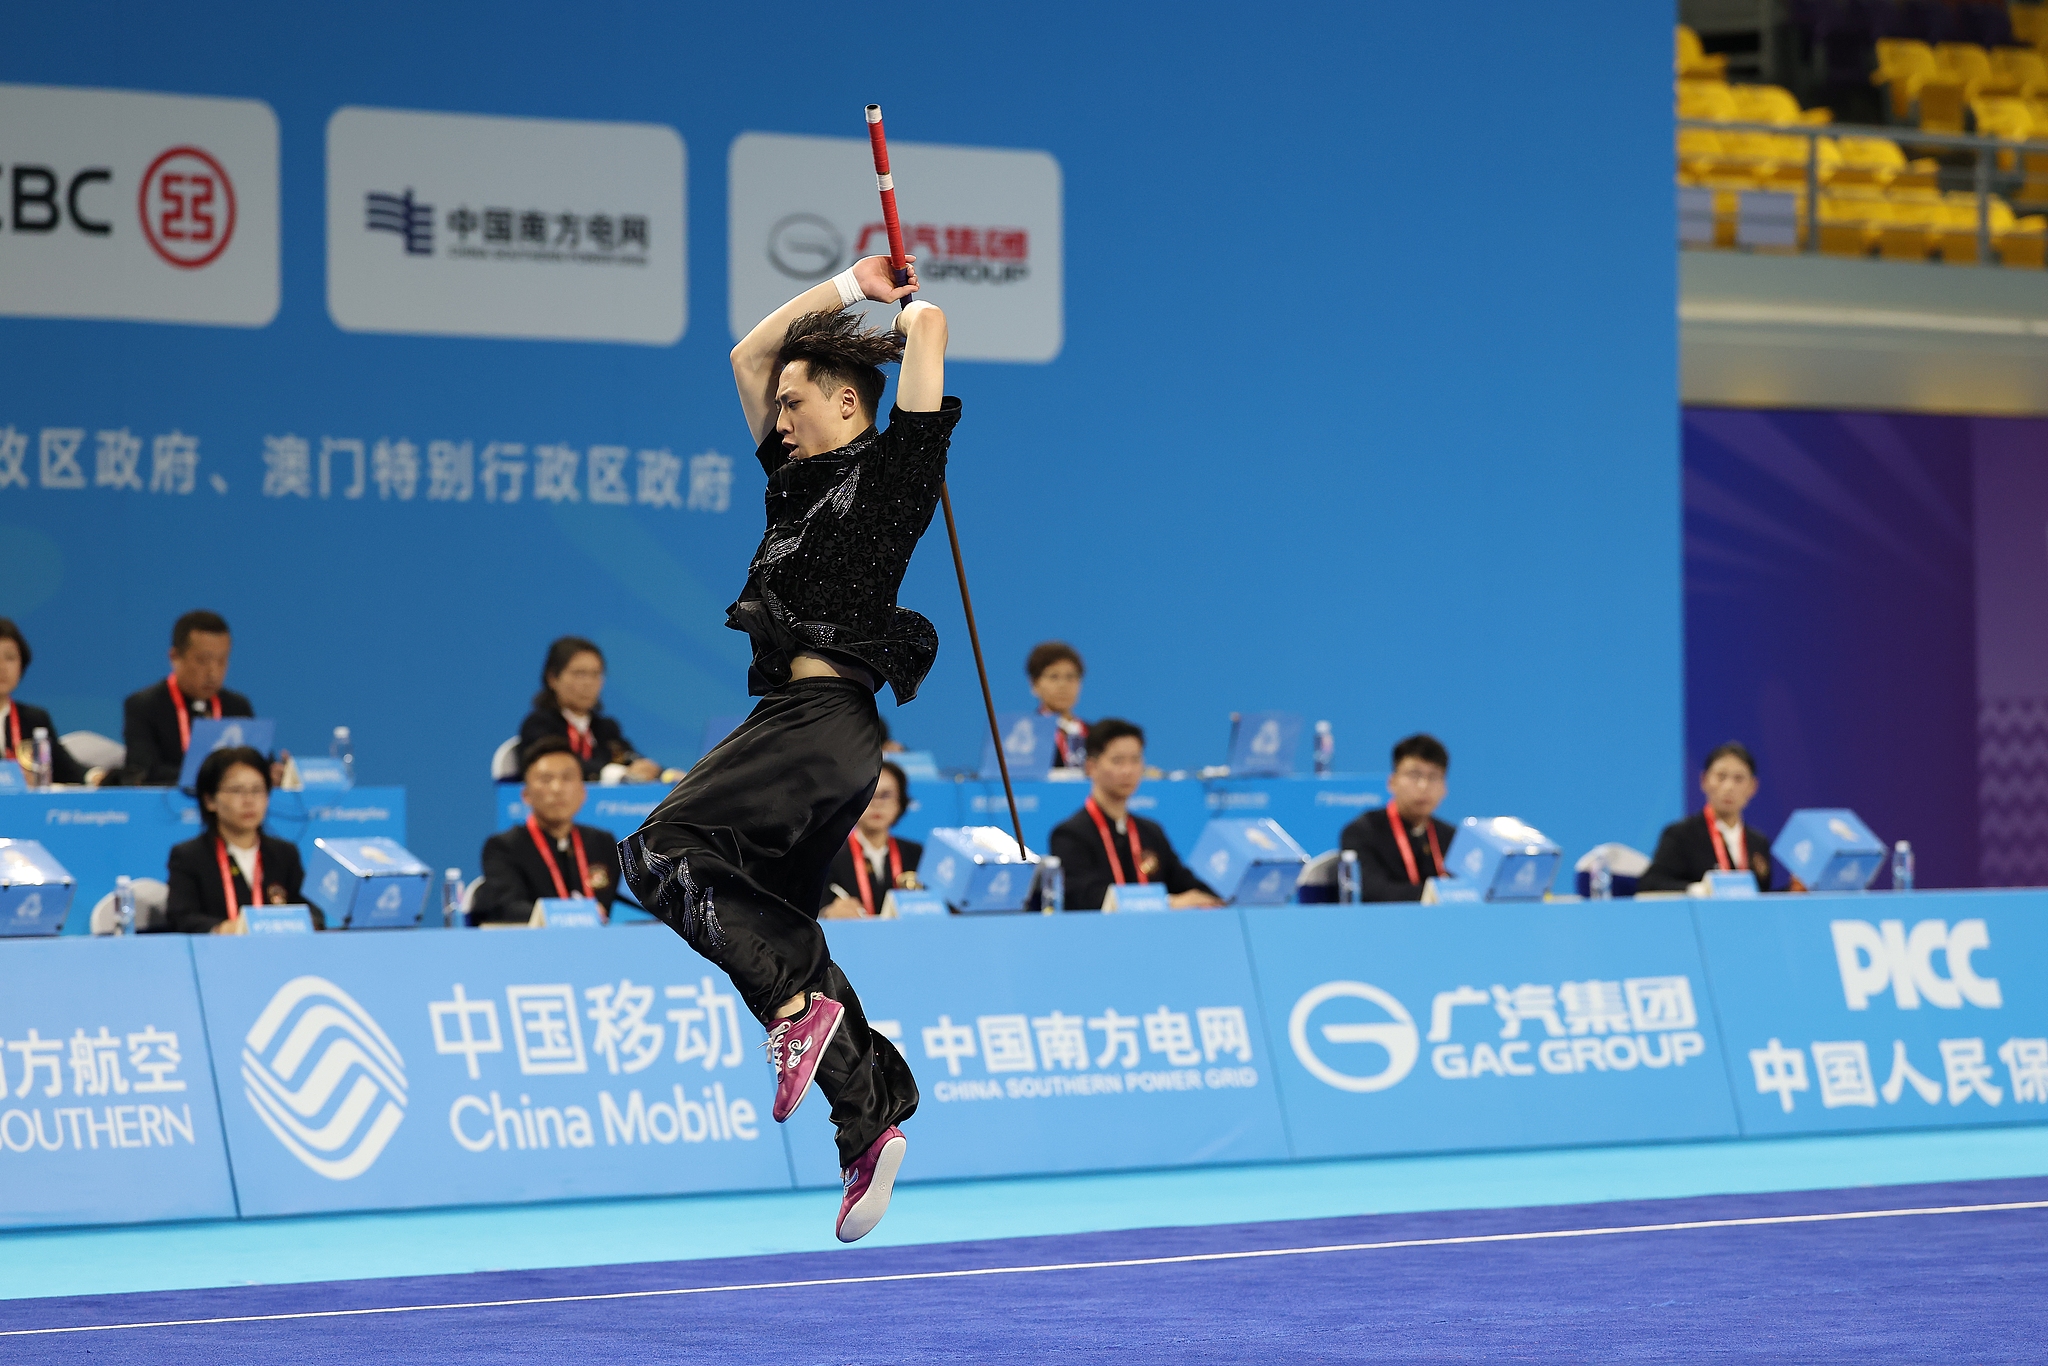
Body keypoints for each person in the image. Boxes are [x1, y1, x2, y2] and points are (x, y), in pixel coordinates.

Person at [620, 249, 950, 1243]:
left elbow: (931, 332)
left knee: (658, 850)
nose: (780, 416)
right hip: (803, 729)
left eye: (797, 402)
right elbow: (749, 354)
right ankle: (867, 1122)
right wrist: (852, 284)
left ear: (849, 405)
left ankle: (795, 1012)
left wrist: (906, 322)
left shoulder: (892, 478)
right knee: (769, 919)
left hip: (822, 720)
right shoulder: (794, 480)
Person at [1048, 718, 1223, 911]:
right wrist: (1168, 903)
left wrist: (1211, 898)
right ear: (1091, 767)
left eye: (1135, 760)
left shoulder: (1150, 832)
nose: (1128, 770)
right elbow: (1088, 898)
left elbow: (1187, 885)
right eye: (1117, 761)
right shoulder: (1070, 835)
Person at [473, 737, 629, 924]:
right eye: (546, 779)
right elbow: (508, 908)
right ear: (526, 795)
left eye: (567, 778)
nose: (557, 788)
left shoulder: (602, 843)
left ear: (583, 792)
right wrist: (568, 916)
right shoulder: (503, 847)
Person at [163, 745, 308, 934]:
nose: (249, 800)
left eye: (257, 790)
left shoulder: (285, 854)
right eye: (237, 790)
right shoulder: (189, 856)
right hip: (217, 950)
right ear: (209, 800)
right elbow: (181, 917)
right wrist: (224, 929)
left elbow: (310, 911)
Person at [122, 610, 254, 787]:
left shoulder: (237, 707)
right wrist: (213, 777)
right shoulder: (144, 706)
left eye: (222, 661)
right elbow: (143, 771)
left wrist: (273, 773)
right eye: (202, 660)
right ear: (175, 657)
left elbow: (255, 766)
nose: (213, 673)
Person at [518, 637, 664, 784]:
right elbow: (560, 767)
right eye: (579, 674)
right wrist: (614, 774)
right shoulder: (539, 725)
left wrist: (658, 773)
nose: (588, 683)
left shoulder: (606, 729)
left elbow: (631, 759)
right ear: (553, 678)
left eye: (596, 674)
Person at [1640, 741, 1774, 893]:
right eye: (1721, 777)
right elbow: (1651, 882)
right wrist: (1697, 890)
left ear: (1753, 786)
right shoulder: (1681, 835)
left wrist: (1791, 889)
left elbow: (1761, 895)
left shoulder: (1758, 842)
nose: (1729, 787)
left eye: (1739, 779)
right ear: (1704, 780)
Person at [1339, 734, 1457, 902]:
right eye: (1414, 775)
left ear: (1445, 788)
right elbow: (1372, 891)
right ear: (1392, 782)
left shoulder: (1452, 838)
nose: (1423, 786)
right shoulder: (1362, 832)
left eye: (1433, 777)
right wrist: (1440, 895)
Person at [820, 760, 924, 918]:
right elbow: (819, 907)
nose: (877, 804)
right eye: (869, 794)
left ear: (900, 802)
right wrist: (828, 912)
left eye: (886, 795)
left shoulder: (916, 854)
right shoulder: (829, 857)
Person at [0, 619, 88, 785]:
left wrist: (96, 777)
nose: (2, 667)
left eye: (10, 658)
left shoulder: (34, 719)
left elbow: (67, 770)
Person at [1027, 641, 1087, 768]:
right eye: (1054, 677)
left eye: (1070, 677)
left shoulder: (1094, 735)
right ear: (1034, 684)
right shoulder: (1027, 735)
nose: (1063, 685)